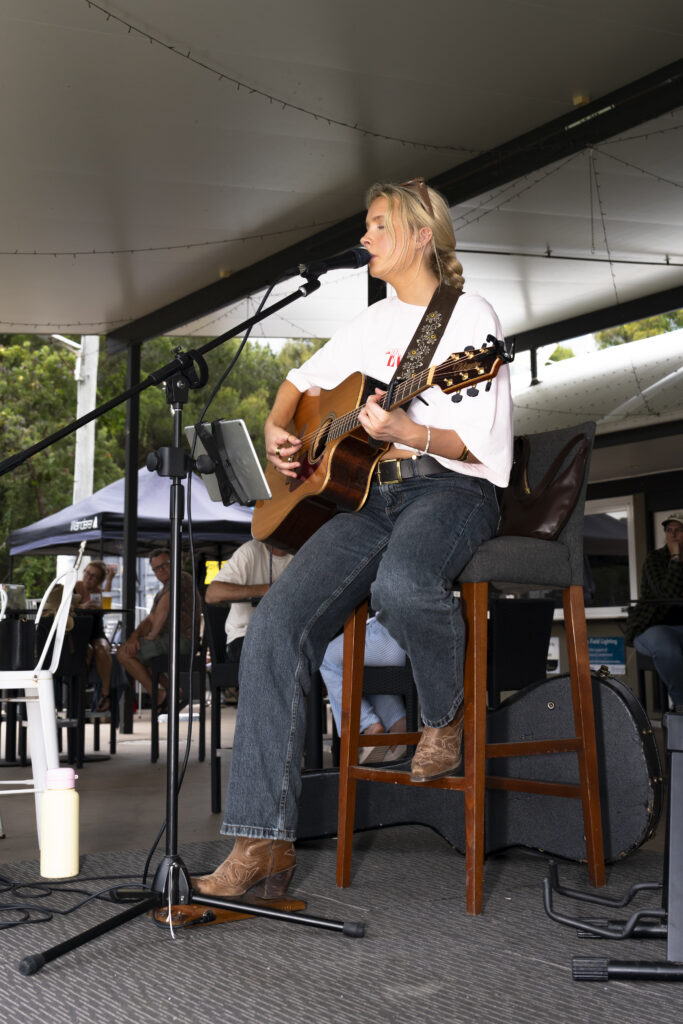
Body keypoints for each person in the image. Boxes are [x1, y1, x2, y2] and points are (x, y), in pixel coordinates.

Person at [192, 176, 513, 900]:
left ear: (420, 235)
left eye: (376, 225)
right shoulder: (372, 324)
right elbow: (299, 385)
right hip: (369, 500)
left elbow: (480, 445)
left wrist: (412, 430)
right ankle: (260, 844)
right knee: (274, 626)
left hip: (451, 489)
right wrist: (282, 431)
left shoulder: (468, 323)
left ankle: (443, 718)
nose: (363, 237)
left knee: (404, 584)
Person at [319, 615, 407, 763]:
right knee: (358, 664)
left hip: (393, 634)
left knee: (328, 660)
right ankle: (398, 725)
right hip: (414, 635)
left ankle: (369, 726)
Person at [116, 549, 198, 709]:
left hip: (181, 641)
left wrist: (152, 635)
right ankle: (174, 692)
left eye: (165, 565)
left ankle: (158, 695)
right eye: (156, 569)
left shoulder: (180, 578)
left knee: (123, 654)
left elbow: (165, 605)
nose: (161, 570)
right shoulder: (164, 589)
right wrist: (134, 638)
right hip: (173, 641)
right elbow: (150, 618)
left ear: (174, 563)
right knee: (137, 653)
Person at [625, 512, 683, 710]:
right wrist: (676, 558)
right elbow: (666, 595)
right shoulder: (655, 559)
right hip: (654, 625)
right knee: (669, 650)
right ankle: (682, 703)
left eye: (679, 530)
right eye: (669, 530)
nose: (673, 534)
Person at [205, 539, 293, 662]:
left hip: (286, 637)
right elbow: (212, 594)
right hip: (245, 636)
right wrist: (264, 589)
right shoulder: (250, 551)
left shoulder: (301, 554)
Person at [73, 561, 117, 711]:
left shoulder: (100, 593)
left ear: (99, 580)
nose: (88, 577)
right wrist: (81, 607)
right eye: (87, 573)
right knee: (86, 649)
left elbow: (107, 609)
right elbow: (62, 607)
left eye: (93, 576)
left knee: (102, 648)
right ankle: (80, 692)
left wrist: (110, 580)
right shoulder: (74, 587)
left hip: (95, 631)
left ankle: (106, 694)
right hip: (76, 632)